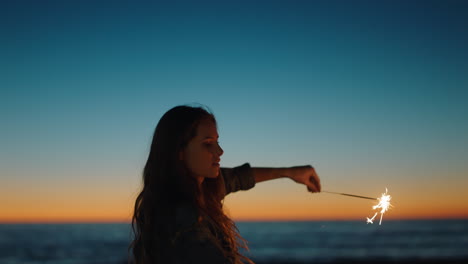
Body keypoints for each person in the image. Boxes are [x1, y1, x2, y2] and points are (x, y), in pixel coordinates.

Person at [129, 105, 321, 264]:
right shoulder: (183, 220)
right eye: (208, 144)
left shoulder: (202, 188)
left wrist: (289, 172)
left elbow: (236, 177)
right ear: (178, 151)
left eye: (217, 142)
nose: (219, 151)